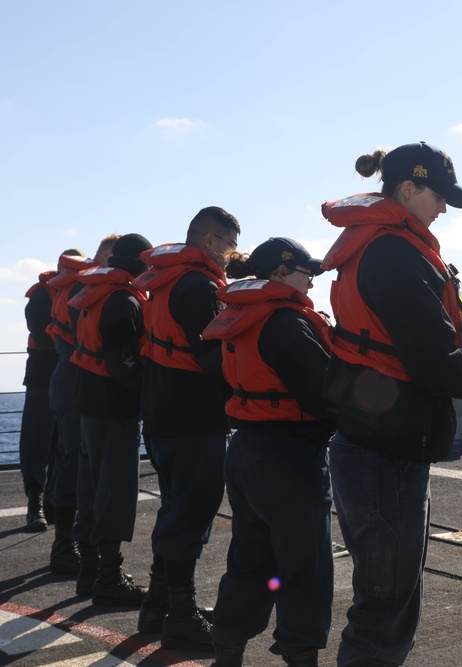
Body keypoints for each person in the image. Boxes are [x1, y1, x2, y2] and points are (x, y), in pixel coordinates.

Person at [320, 142, 462, 666]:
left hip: (376, 446)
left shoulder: (380, 246)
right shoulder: (394, 252)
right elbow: (432, 359)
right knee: (385, 605)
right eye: (438, 198)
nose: (442, 210)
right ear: (407, 188)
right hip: (383, 455)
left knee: (387, 597)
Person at [205, 238, 338, 667]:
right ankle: (302, 657)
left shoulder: (237, 318)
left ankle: (227, 649)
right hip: (290, 456)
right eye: (307, 273)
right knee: (305, 565)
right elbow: (322, 395)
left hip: (245, 449)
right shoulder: (286, 322)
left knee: (249, 559)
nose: (311, 283)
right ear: (281, 273)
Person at [133, 206, 240, 651]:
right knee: (191, 513)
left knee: (176, 509)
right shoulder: (198, 287)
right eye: (230, 246)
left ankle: (157, 606)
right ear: (211, 241)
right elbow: (213, 356)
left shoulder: (168, 282)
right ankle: (180, 614)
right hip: (194, 418)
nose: (232, 256)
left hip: (161, 414)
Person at [68, 234, 152, 606]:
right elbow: (124, 365)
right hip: (114, 406)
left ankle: (89, 571)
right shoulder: (124, 300)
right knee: (114, 490)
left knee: (90, 487)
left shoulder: (97, 293)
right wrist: (152, 396)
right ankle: (109, 576)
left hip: (88, 400)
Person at [45, 248, 103, 574]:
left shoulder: (71, 286)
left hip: (62, 379)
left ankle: (66, 545)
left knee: (66, 458)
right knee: (74, 464)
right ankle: (66, 547)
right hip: (75, 384)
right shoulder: (85, 287)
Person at [19, 262, 62, 532]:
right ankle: (35, 505)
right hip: (42, 380)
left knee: (63, 445)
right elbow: (38, 331)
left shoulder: (80, 293)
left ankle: (55, 501)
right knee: (36, 442)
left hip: (70, 379)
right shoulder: (41, 295)